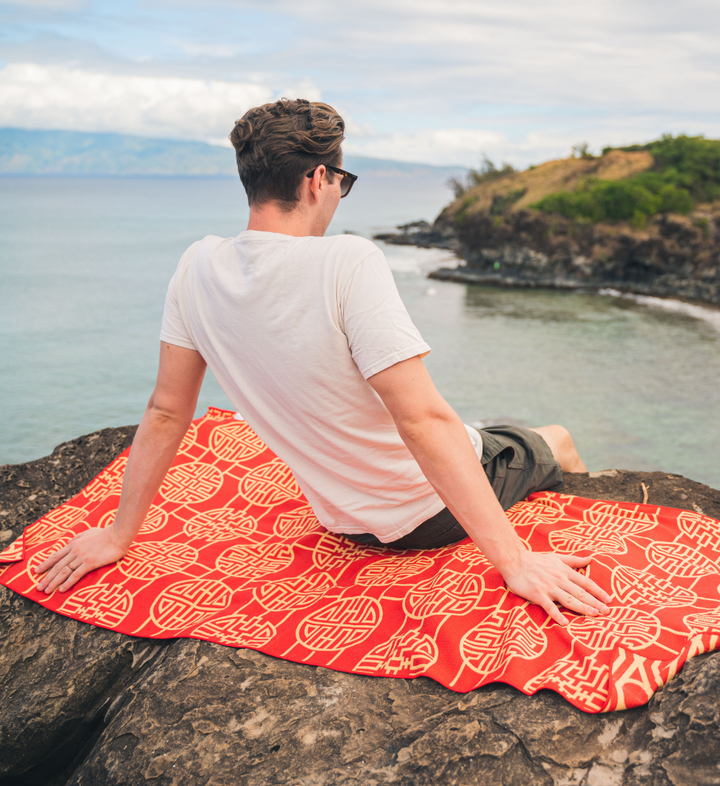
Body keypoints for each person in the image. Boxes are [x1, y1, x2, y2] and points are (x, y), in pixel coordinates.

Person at [36, 98, 611, 626]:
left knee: (486, 433)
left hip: (346, 522)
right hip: (428, 512)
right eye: (342, 181)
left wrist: (118, 536)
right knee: (555, 438)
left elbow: (166, 410)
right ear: (318, 179)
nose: (339, 194)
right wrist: (514, 562)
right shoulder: (347, 260)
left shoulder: (196, 266)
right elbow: (421, 420)